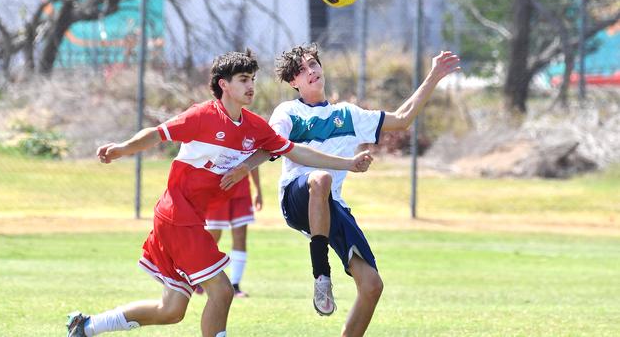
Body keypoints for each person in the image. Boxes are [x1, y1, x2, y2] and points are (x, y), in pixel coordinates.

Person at [65, 49, 373, 337]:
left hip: (187, 220)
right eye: (243, 80)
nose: (251, 85)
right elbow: (156, 134)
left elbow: (298, 152)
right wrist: (122, 149)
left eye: (252, 79)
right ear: (223, 84)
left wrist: (347, 163)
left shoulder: (254, 126)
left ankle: (87, 326)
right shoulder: (202, 116)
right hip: (177, 217)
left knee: (170, 310)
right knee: (222, 291)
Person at [220, 44, 460, 337]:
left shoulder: (347, 114)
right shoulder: (288, 111)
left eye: (314, 65)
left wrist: (433, 75)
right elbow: (272, 145)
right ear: (293, 82)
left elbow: (402, 118)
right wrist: (245, 167)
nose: (311, 71)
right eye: (302, 70)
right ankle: (321, 274)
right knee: (320, 179)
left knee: (372, 286)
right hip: (296, 199)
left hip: (331, 206)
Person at [199, 168, 262, 297]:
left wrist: (258, 189)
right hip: (217, 189)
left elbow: (255, 159)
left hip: (241, 190)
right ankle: (199, 278)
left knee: (240, 237)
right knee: (211, 238)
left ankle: (235, 285)